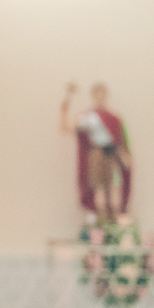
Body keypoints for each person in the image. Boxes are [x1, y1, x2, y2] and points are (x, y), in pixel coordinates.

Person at [59, 81, 132, 221]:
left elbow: (121, 139)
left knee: (115, 185)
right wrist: (66, 100)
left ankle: (117, 216)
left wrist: (124, 155)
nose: (100, 97)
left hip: (113, 156)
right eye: (97, 94)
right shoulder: (90, 117)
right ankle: (102, 219)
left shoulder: (114, 116)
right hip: (98, 155)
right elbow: (66, 127)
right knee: (100, 187)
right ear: (93, 96)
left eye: (103, 94)